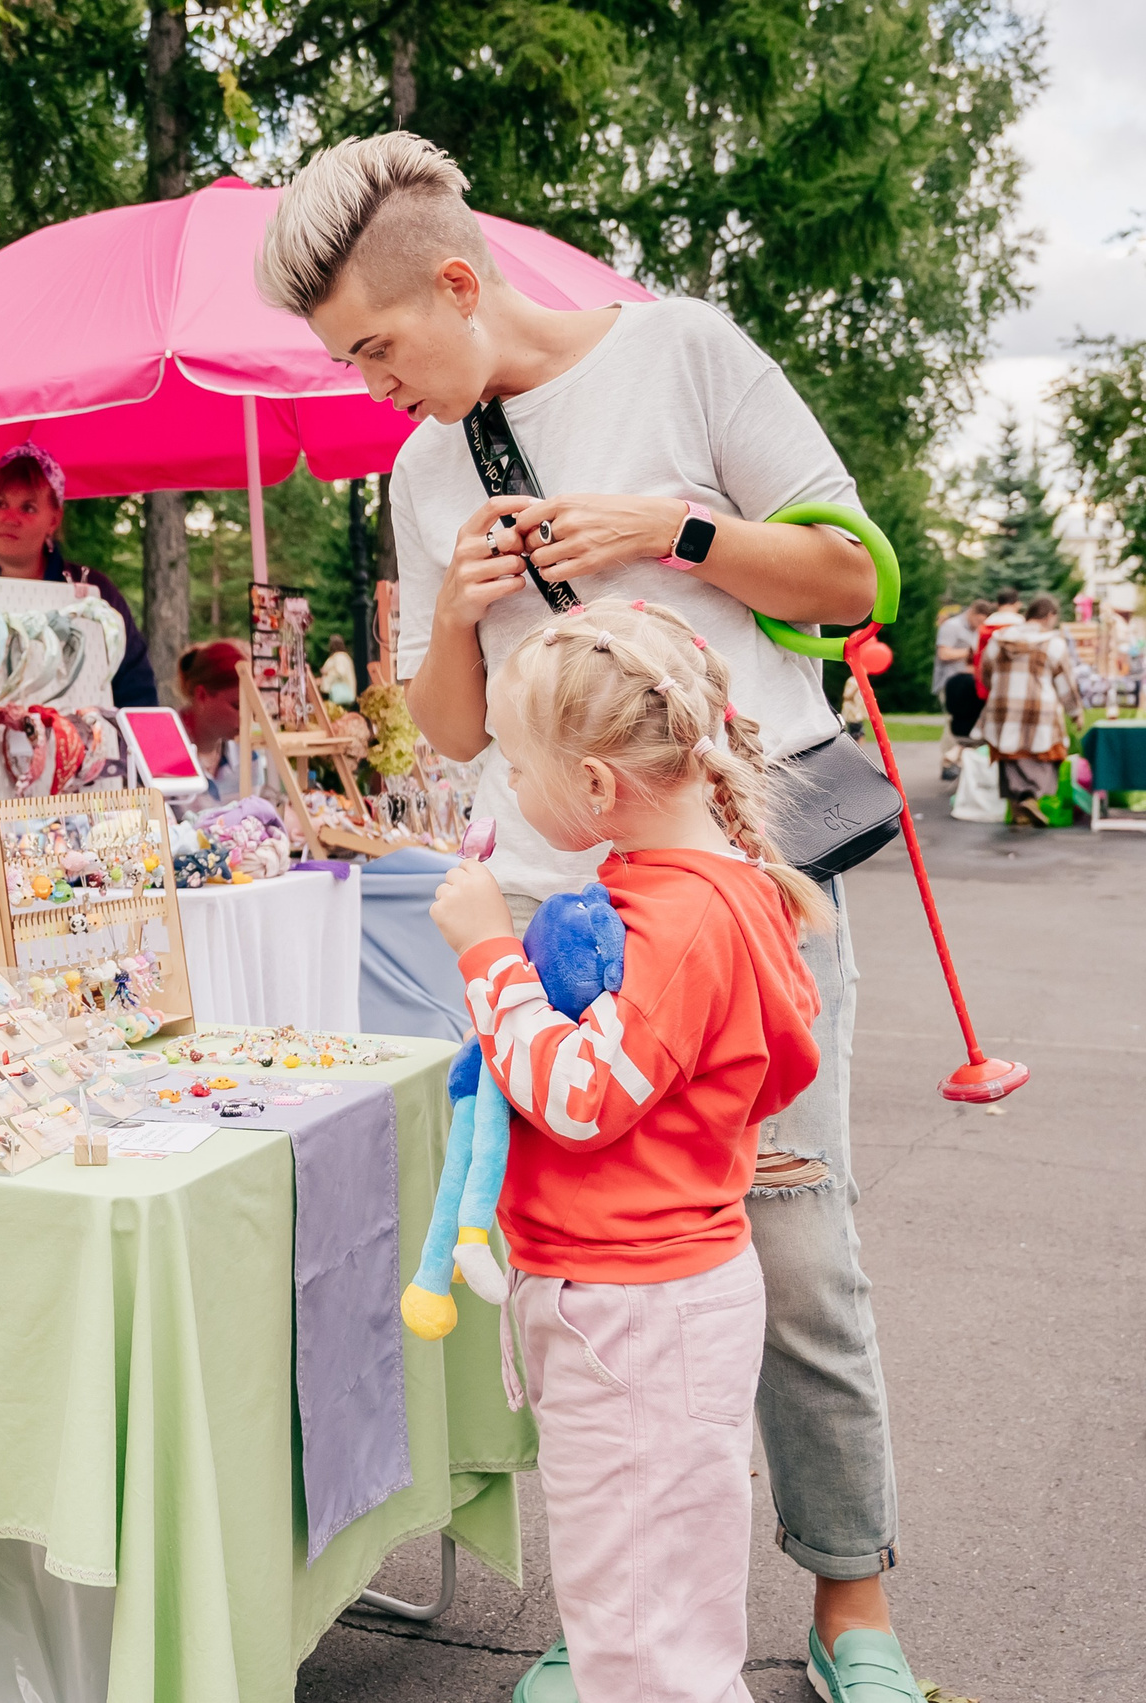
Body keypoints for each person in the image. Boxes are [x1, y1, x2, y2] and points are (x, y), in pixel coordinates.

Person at [259, 132, 930, 1703]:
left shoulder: (681, 352)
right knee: (585, 1270)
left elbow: (855, 580)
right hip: (558, 906)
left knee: (793, 1243)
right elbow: (449, 730)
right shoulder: (426, 473)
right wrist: (456, 611)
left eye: (377, 346)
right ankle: (629, 1608)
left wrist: (668, 531)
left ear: (457, 281)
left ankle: (852, 1597)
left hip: (738, 890)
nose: (371, 382)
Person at [433, 601, 826, 1703]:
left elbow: (580, 1096)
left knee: (641, 1634)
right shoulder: (713, 891)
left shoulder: (674, 917)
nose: (510, 787)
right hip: (654, 1301)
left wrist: (488, 954)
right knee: (655, 1607)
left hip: (630, 1313)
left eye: (517, 767)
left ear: (598, 785)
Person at [0, 441, 160, 706]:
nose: (10, 518)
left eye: (28, 508)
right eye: (1, 504)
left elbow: (138, 694)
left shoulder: (95, 593)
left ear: (53, 520)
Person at [975, 591, 1078, 827]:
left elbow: (985, 673)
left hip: (1001, 710)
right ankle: (1029, 797)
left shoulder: (998, 640)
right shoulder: (1053, 643)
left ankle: (1018, 811)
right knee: (1045, 754)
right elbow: (1065, 683)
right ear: (1050, 616)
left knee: (1009, 756)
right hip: (1040, 711)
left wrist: (999, 691)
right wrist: (1075, 712)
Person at [177, 639, 249, 798]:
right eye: (237, 706)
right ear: (202, 695)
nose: (248, 717)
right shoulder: (164, 744)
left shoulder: (248, 752)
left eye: (252, 708)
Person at [933, 599, 992, 780]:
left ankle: (961, 761)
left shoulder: (976, 630)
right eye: (978, 620)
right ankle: (948, 763)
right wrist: (972, 653)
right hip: (950, 682)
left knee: (967, 720)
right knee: (952, 722)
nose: (980, 625)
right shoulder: (952, 626)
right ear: (972, 612)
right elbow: (943, 653)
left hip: (968, 683)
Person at [318, 633, 359, 706]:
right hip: (336, 692)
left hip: (339, 692)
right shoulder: (341, 656)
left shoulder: (340, 657)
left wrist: (327, 672)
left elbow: (340, 672)